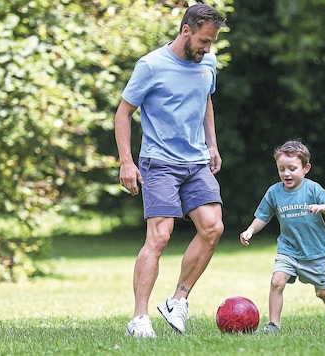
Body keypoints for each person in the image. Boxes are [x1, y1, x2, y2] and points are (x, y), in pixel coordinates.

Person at [114, 4, 227, 338]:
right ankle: (139, 319)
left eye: (212, 42)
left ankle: (178, 300)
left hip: (195, 162)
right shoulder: (151, 66)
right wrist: (126, 161)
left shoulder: (208, 61)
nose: (208, 48)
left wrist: (212, 144)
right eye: (204, 40)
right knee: (159, 237)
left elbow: (206, 99)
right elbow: (123, 113)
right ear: (186, 30)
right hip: (159, 162)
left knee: (213, 228)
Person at [239, 140, 325, 332]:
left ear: (306, 168)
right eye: (281, 169)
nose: (286, 173)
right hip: (288, 248)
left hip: (315, 250)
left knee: (322, 292)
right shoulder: (274, 192)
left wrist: (322, 207)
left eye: (292, 168)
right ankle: (274, 324)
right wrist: (250, 230)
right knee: (276, 282)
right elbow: (263, 216)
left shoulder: (313, 188)